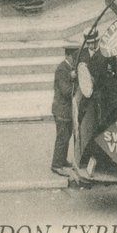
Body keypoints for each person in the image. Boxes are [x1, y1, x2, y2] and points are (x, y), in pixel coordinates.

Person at [50, 43, 78, 175]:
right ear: (68, 56)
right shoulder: (62, 69)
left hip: (66, 111)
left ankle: (62, 160)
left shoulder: (69, 68)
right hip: (61, 110)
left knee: (67, 136)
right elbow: (66, 91)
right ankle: (56, 165)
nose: (76, 60)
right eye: (74, 57)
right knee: (62, 137)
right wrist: (74, 81)